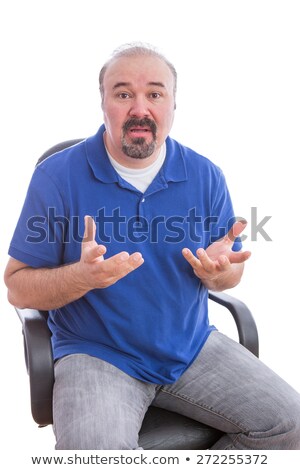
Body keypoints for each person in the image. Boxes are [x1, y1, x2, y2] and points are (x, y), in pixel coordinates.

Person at [4, 43, 300, 450]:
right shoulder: (57, 176)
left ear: (173, 106)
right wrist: (82, 277)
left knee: (291, 425)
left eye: (155, 94)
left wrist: (220, 273)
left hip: (192, 348)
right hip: (98, 354)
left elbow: (230, 271)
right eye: (123, 94)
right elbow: (17, 287)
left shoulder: (205, 174)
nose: (139, 108)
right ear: (104, 103)